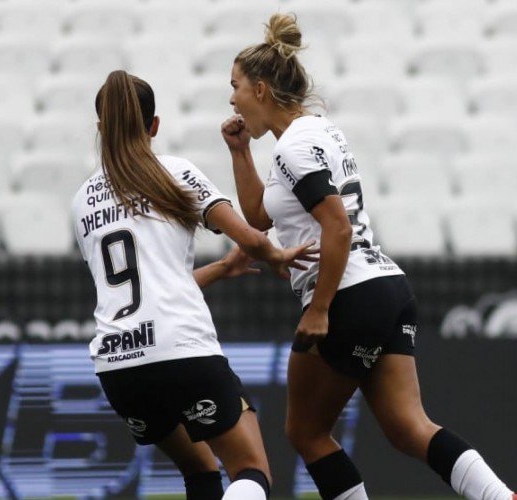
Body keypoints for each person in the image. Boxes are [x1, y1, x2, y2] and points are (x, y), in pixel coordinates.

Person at [221, 13, 515, 500]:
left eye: (234, 86)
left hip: (346, 295)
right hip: (387, 286)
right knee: (408, 427)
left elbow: (336, 226)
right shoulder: (316, 132)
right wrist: (238, 152)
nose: (230, 98)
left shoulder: (292, 150)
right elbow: (259, 215)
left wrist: (319, 310)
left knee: (305, 433)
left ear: (261, 90)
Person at [73, 70, 317, 500]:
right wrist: (275, 255)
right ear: (154, 126)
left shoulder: (81, 201)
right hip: (180, 350)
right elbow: (250, 235)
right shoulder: (175, 172)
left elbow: (143, 284)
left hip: (118, 365)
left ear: (100, 128)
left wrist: (222, 269)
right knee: (251, 469)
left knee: (201, 467)